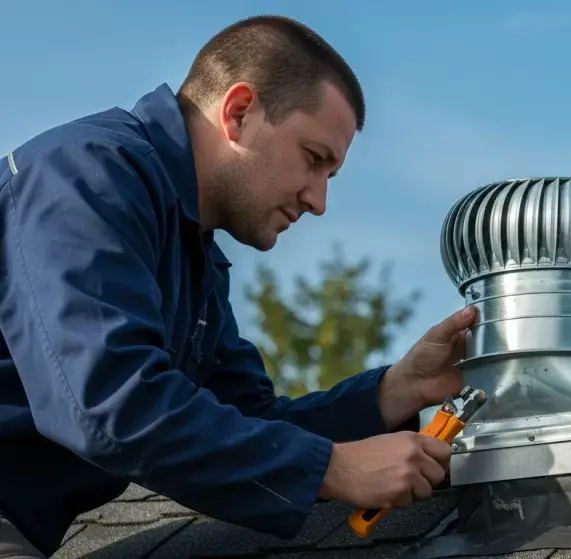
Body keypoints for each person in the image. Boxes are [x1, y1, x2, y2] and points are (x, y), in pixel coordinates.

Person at [0, 15, 477, 558]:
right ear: (239, 111)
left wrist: (397, 390)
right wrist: (336, 468)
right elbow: (111, 403)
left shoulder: (192, 252)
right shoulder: (83, 176)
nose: (319, 201)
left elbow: (250, 427)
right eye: (314, 159)